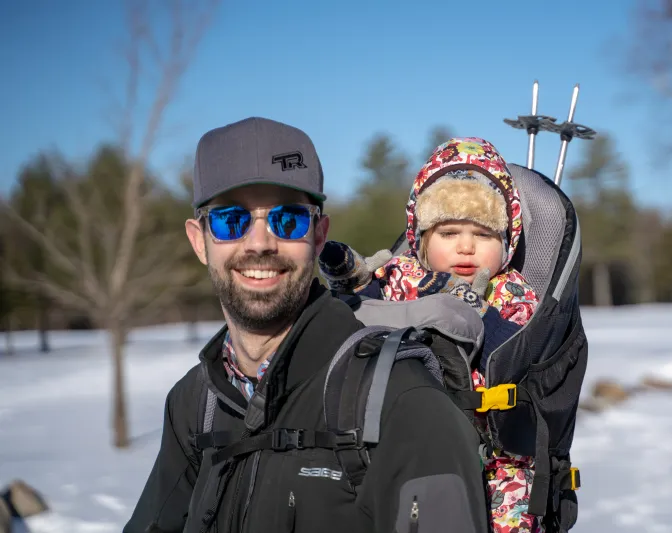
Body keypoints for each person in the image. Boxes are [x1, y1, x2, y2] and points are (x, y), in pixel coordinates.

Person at [123, 117, 489, 533]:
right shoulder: (195, 404)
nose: (260, 243)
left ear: (318, 237)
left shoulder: (402, 401)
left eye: (288, 220)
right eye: (230, 220)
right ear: (198, 239)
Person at [318, 137, 543, 532]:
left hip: (488, 451)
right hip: (396, 435)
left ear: (506, 243)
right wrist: (355, 283)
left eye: (485, 235)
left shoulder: (511, 291)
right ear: (421, 237)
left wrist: (474, 312)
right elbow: (357, 316)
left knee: (509, 510)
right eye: (450, 232)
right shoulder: (401, 275)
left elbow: (515, 351)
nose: (467, 247)